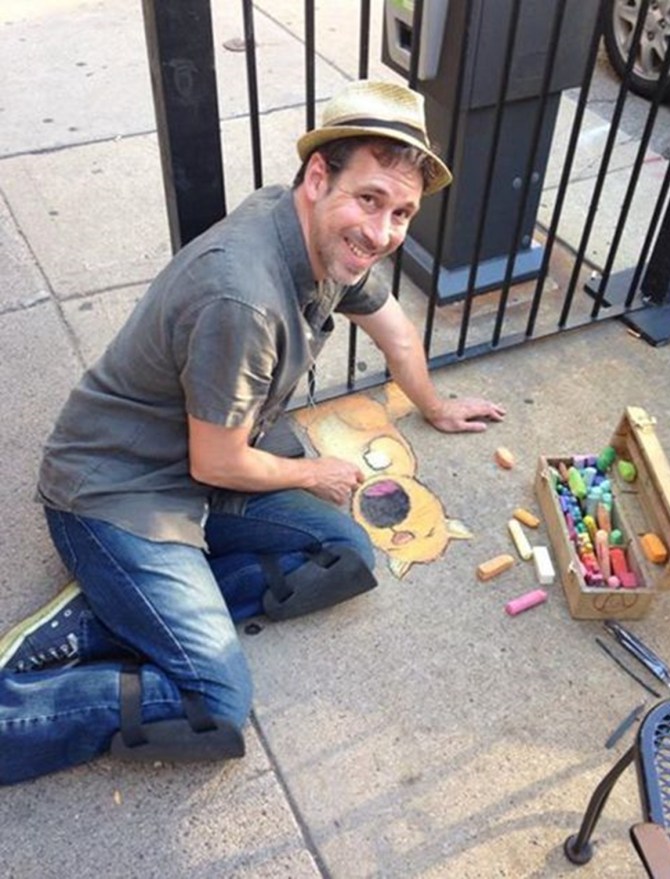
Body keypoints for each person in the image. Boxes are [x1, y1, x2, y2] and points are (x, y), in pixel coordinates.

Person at [0, 80, 505, 784]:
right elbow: (220, 460)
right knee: (213, 703)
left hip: (197, 474)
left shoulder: (325, 240)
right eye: (369, 200)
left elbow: (394, 331)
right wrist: (311, 473)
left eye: (401, 212)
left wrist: (437, 404)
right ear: (318, 177)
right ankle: (55, 668)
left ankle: (124, 611)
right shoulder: (243, 297)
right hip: (117, 492)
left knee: (344, 553)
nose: (383, 232)